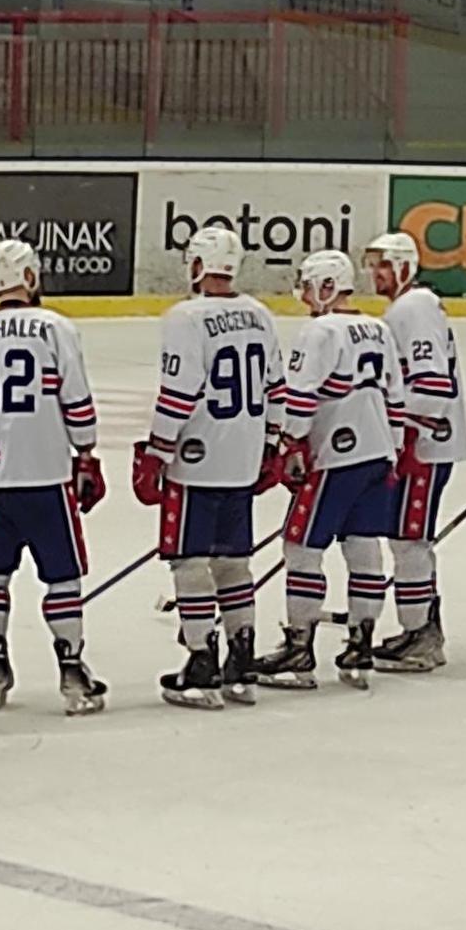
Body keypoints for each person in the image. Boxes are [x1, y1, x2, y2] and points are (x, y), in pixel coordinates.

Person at [0, 236, 108, 716]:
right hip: (46, 474)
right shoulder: (56, 327)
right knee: (62, 578)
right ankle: (71, 667)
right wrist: (85, 453)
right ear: (28, 277)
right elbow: (76, 400)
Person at [139, 223, 280, 710]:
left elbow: (178, 394)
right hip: (242, 456)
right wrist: (272, 444)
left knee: (190, 562)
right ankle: (242, 663)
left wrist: (157, 450)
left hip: (196, 460)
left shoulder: (185, 317)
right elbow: (276, 390)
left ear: (197, 265)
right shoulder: (260, 314)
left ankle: (201, 660)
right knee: (234, 563)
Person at [263, 249, 400, 690]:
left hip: (334, 457)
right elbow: (397, 397)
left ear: (326, 286)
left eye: (308, 285)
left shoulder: (319, 331)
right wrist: (393, 448)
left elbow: (300, 397)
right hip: (377, 453)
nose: (304, 295)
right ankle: (361, 644)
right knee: (363, 545)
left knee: (301, 548)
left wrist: (290, 443)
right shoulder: (379, 328)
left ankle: (299, 649)